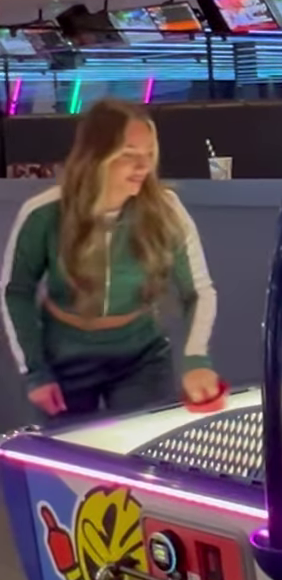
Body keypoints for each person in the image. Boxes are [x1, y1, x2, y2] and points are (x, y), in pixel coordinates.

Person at [2, 99, 220, 420]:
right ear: (95, 157)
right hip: (65, 359)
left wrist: (196, 360)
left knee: (142, 456)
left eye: (148, 154)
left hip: (141, 356)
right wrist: (35, 371)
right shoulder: (43, 213)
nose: (143, 167)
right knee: (69, 463)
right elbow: (15, 292)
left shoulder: (166, 209)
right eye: (129, 155)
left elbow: (199, 291)